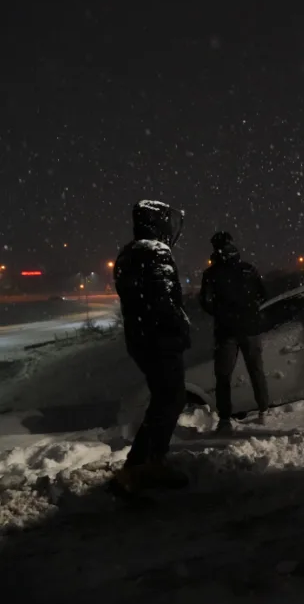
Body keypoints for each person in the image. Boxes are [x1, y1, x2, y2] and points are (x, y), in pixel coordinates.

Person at [111, 200, 192, 495]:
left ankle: (143, 463)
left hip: (142, 339)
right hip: (160, 340)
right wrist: (180, 327)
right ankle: (144, 466)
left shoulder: (129, 253)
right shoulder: (156, 253)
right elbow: (164, 300)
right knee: (171, 399)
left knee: (163, 399)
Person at [199, 231, 270, 434]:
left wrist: (222, 314)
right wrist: (250, 312)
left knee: (223, 376)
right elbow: (263, 294)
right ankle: (263, 410)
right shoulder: (248, 269)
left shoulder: (211, 274)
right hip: (250, 328)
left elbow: (206, 302)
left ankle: (224, 418)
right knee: (256, 370)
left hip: (226, 331)